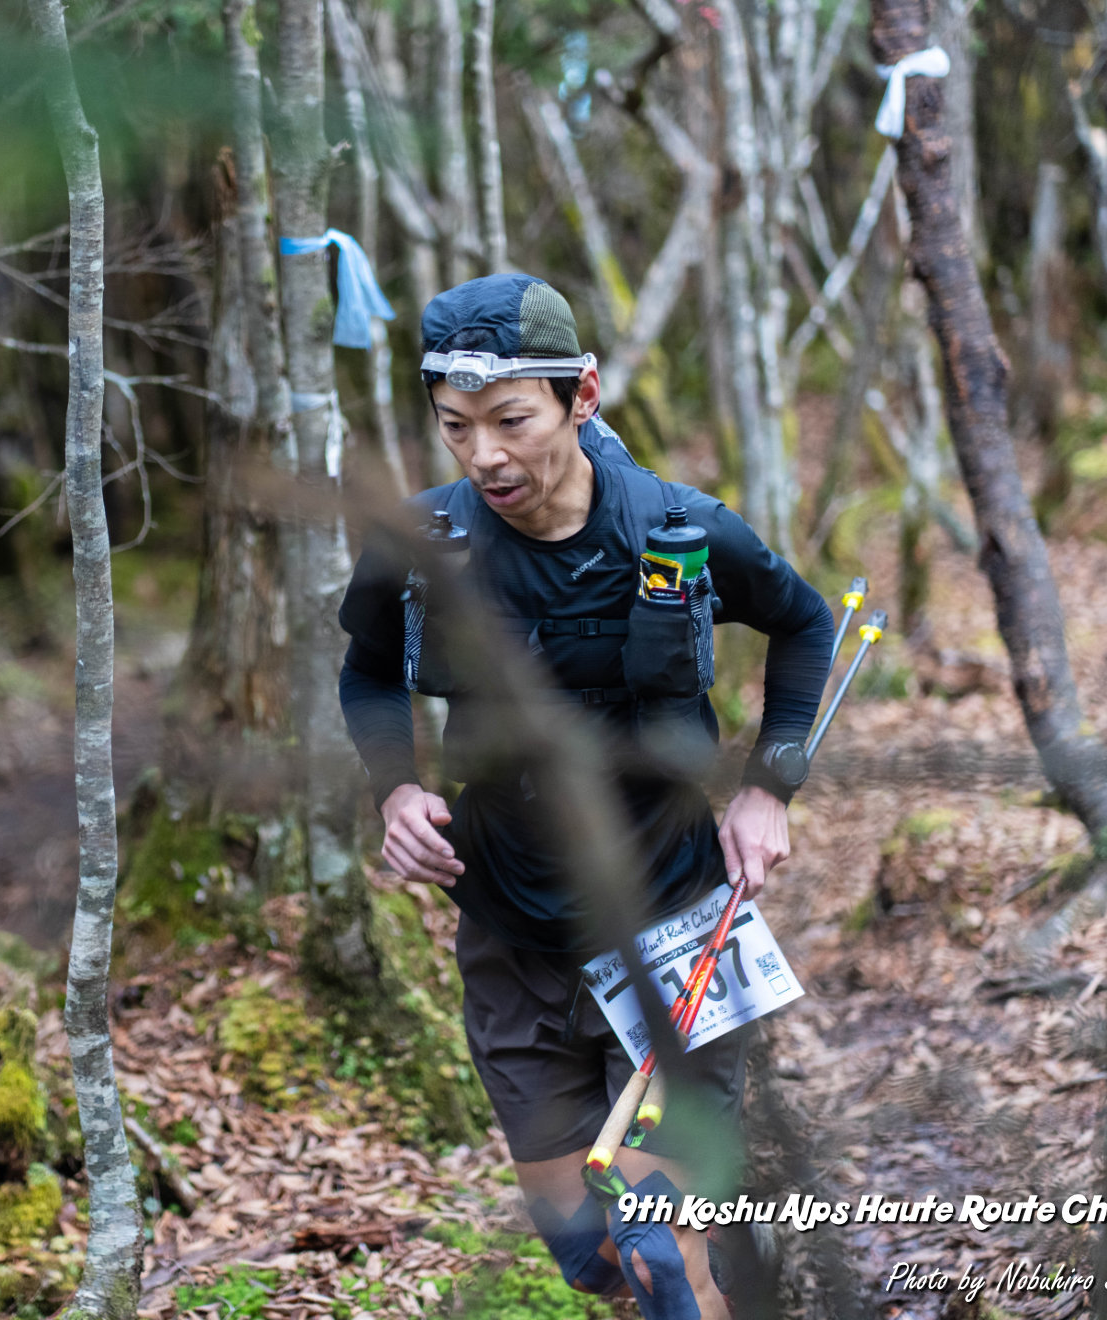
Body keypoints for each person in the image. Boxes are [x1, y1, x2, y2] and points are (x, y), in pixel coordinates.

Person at [337, 274, 832, 1320]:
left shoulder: (678, 529)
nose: (483, 455)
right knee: (589, 1253)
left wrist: (768, 790)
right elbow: (369, 670)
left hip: (671, 923)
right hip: (510, 935)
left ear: (583, 396)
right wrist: (396, 793)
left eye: (511, 420)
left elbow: (804, 621)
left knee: (663, 1254)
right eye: (456, 426)